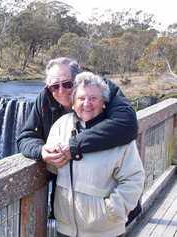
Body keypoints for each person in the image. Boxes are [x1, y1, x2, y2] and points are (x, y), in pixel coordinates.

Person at [16, 57, 140, 223]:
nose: (61, 91)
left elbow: (128, 124)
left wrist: (73, 146)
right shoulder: (45, 98)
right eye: (54, 86)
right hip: (69, 212)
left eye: (67, 84)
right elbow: (26, 136)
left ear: (78, 79)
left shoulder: (100, 89)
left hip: (111, 214)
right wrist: (41, 151)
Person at [46, 72, 145, 237]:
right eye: (81, 98)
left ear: (104, 103)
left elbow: (134, 179)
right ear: (73, 102)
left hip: (105, 230)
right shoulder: (60, 126)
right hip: (65, 229)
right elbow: (52, 167)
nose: (87, 104)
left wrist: (112, 211)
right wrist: (46, 154)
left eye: (93, 98)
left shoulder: (116, 134)